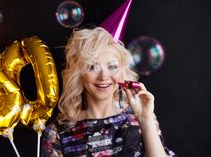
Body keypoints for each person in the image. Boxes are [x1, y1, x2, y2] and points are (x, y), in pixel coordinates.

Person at [41, 26, 176, 157]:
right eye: (92, 67)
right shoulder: (57, 133)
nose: (103, 76)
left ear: (122, 72)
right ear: (79, 73)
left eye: (112, 66)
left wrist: (145, 119)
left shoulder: (141, 117)